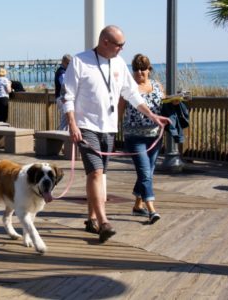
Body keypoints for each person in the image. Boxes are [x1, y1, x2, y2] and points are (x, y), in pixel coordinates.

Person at [63, 25, 169, 243]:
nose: (122, 49)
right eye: (119, 45)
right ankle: (104, 222)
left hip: (109, 128)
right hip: (86, 126)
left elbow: (132, 94)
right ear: (105, 42)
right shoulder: (80, 61)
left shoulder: (119, 63)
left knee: (99, 175)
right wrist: (72, 124)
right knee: (95, 173)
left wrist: (152, 116)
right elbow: (68, 96)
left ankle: (91, 218)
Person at [119, 54, 165, 224]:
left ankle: (138, 205)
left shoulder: (157, 86)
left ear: (149, 70)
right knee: (145, 172)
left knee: (148, 172)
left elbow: (164, 106)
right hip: (134, 137)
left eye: (143, 68)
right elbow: (119, 111)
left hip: (155, 136)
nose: (139, 72)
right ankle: (152, 210)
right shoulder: (128, 88)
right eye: (136, 69)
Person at [54, 54, 72, 130]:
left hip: (61, 98)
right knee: (65, 120)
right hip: (62, 98)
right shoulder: (62, 72)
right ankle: (61, 137)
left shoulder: (62, 71)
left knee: (66, 120)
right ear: (63, 62)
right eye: (68, 63)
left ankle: (61, 135)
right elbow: (65, 85)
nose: (69, 65)